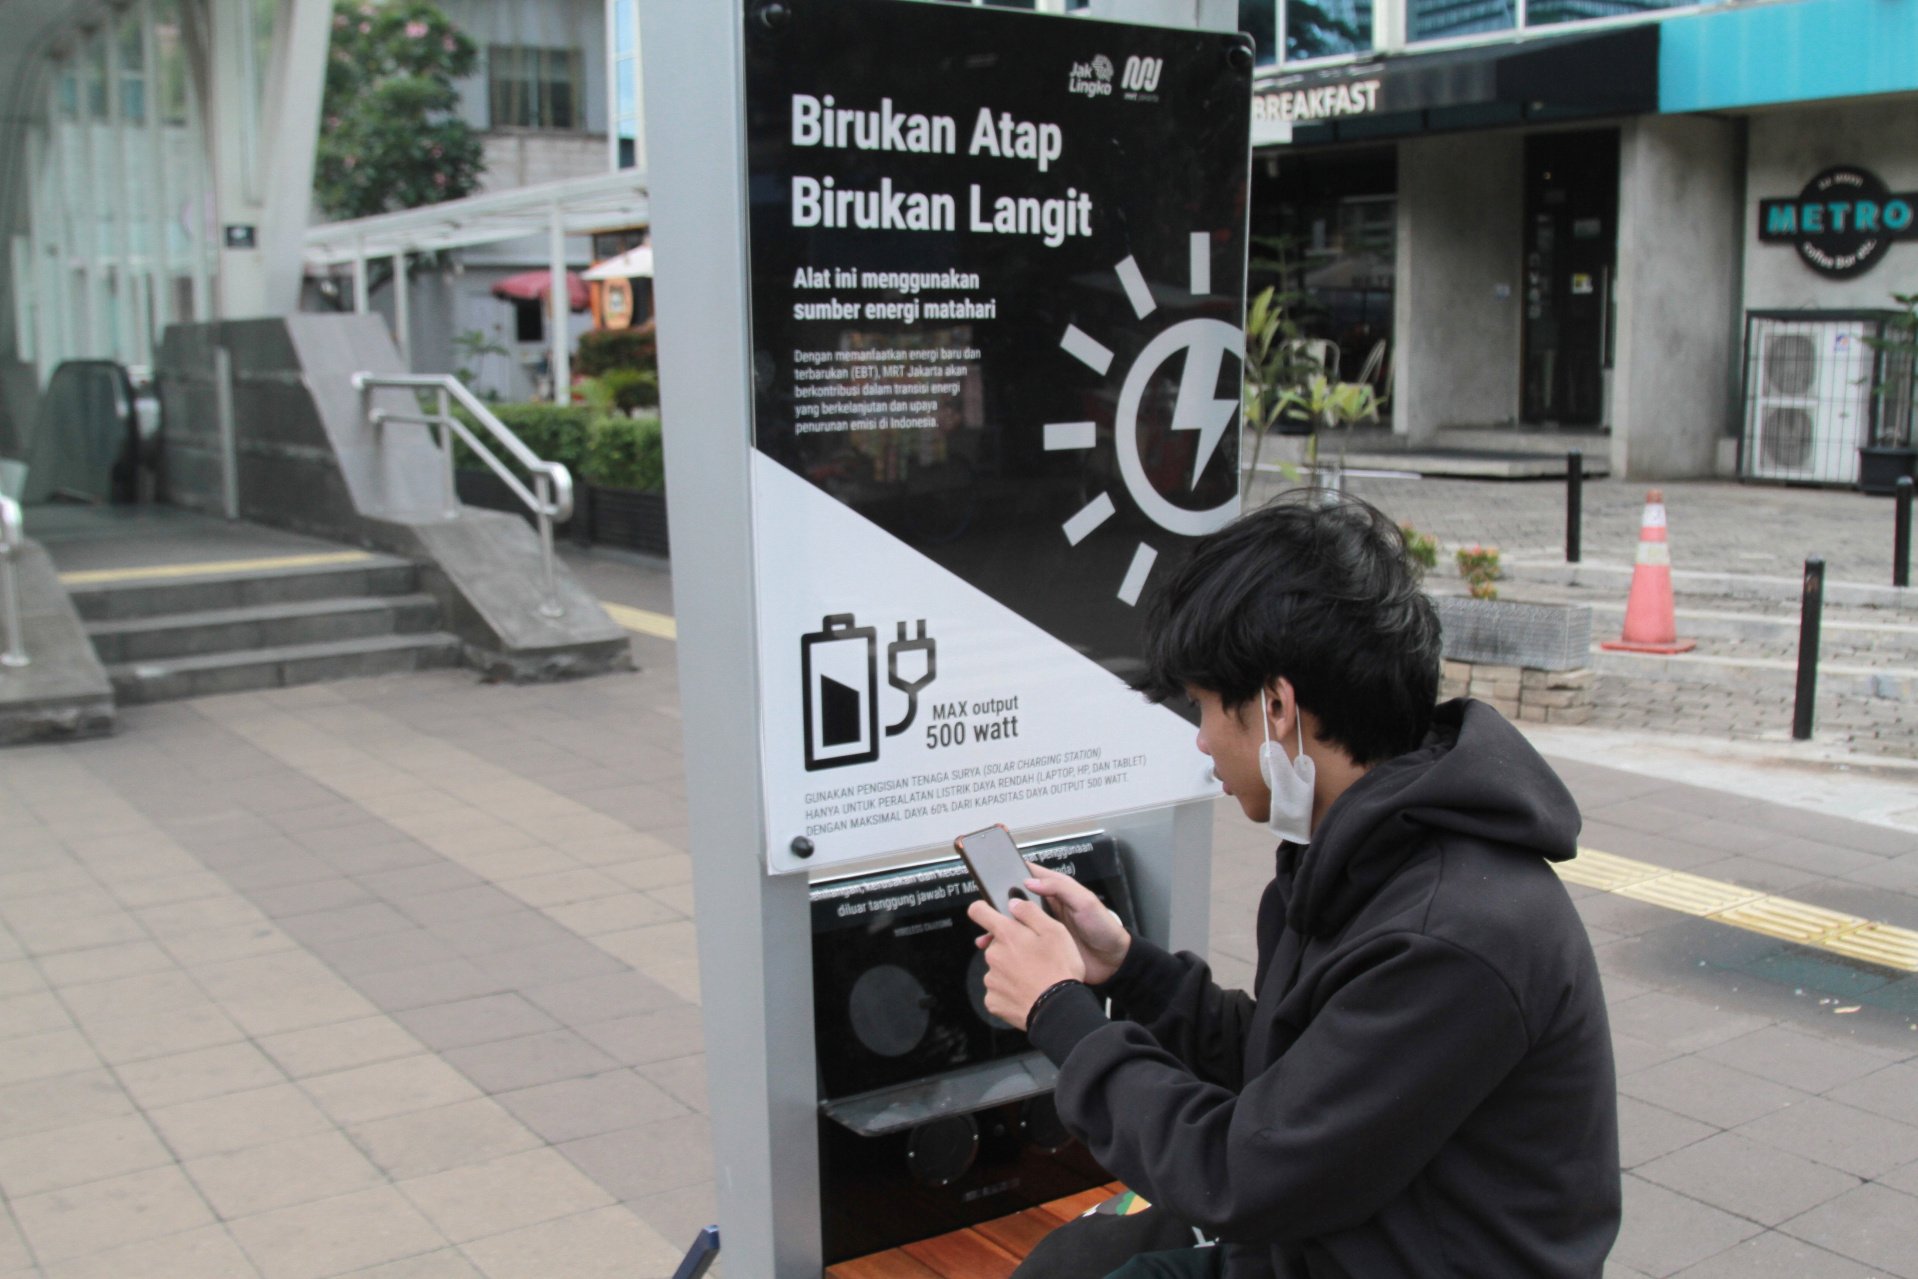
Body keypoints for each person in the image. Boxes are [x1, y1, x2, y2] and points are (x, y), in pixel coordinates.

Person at [969, 494, 1620, 1279]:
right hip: (1342, 1230)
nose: (1201, 740)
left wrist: (1060, 1013)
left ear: (1276, 707)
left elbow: (1242, 1174)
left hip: (1364, 1246)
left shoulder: (1452, 935)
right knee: (1071, 1262)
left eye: (1205, 708)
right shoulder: (1369, 848)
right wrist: (1128, 968)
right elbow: (1294, 1073)